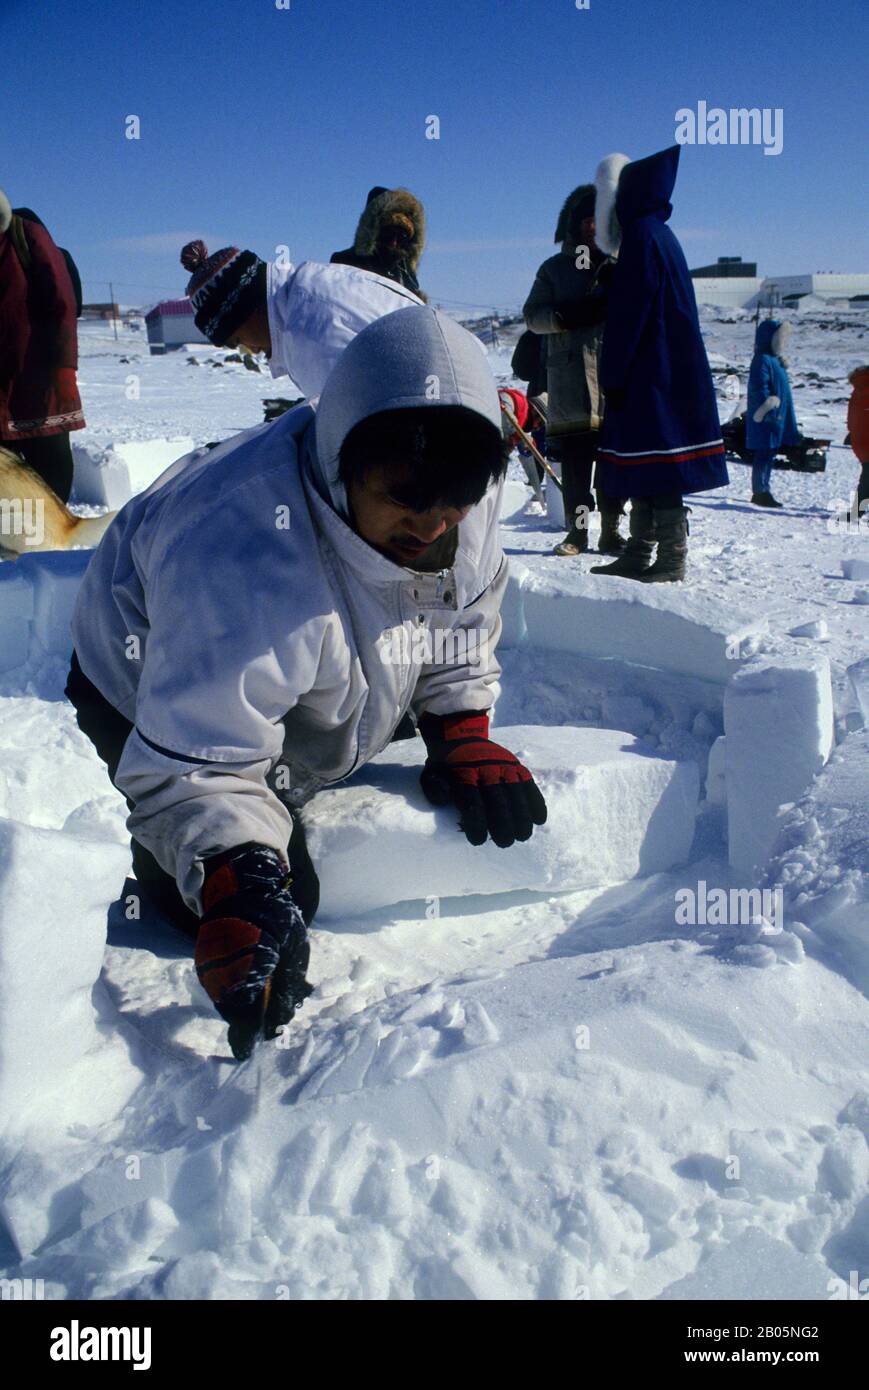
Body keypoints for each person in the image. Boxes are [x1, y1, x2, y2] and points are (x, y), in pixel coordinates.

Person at [65, 307, 547, 1060]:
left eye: (452, 504)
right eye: (404, 498)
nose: (431, 525)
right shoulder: (237, 553)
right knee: (262, 900)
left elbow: (458, 612)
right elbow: (198, 760)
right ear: (340, 465)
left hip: (316, 673)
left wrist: (459, 729)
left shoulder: (457, 496)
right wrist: (237, 878)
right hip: (143, 678)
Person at [588, 147, 727, 583]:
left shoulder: (642, 238)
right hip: (665, 372)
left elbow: (632, 316)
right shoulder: (659, 235)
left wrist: (613, 373)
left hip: (651, 376)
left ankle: (669, 558)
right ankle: (638, 551)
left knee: (659, 467)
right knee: (646, 466)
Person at [180, 239, 422, 400]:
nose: (251, 350)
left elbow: (356, 437)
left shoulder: (307, 333)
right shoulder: (315, 284)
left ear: (247, 310)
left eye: (237, 340)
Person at [522, 184, 626, 558]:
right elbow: (532, 316)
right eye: (584, 221)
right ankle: (577, 535)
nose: (591, 229)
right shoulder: (554, 269)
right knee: (578, 471)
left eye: (597, 221)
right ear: (573, 226)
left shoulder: (621, 265)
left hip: (614, 384)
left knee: (613, 467)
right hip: (570, 385)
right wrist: (563, 318)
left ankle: (612, 533)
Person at [0, 189, 84, 502]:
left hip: (40, 385)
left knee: (50, 474)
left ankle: (49, 546)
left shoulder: (25, 235)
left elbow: (61, 304)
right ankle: (12, 543)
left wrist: (64, 369)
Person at [331, 186, 426, 298]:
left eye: (402, 236)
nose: (394, 242)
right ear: (373, 233)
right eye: (388, 233)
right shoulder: (345, 262)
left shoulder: (407, 275)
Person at [746, 319, 799, 508]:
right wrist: (767, 407)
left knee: (769, 453)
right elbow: (759, 388)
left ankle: (763, 489)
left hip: (776, 416)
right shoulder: (762, 360)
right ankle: (760, 492)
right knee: (764, 453)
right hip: (767, 416)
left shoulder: (773, 360)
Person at [498, 385, 546, 509]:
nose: (536, 428)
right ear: (534, 411)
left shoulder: (519, 415)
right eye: (539, 423)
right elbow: (505, 419)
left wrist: (520, 439)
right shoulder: (509, 400)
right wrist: (520, 437)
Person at [846, 365, 869, 522]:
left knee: (867, 476)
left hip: (860, 441)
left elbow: (851, 419)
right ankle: (857, 511)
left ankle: (858, 511)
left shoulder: (857, 390)